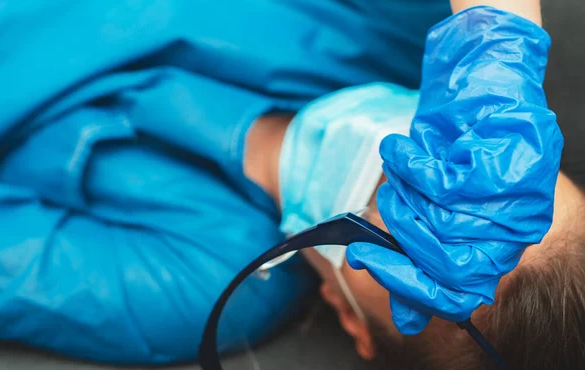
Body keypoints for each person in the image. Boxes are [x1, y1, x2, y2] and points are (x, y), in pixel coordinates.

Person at [0, 0, 562, 365]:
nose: (426, 177)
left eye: (406, 225)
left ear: (348, 316)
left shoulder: (199, 284)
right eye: (478, 165)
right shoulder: (414, 22)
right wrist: (497, 42)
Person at [245, 109, 585, 369]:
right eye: (474, 167)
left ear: (351, 315)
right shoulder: (409, 29)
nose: (417, 171)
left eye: (406, 247)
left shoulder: (212, 285)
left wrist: (267, 152)